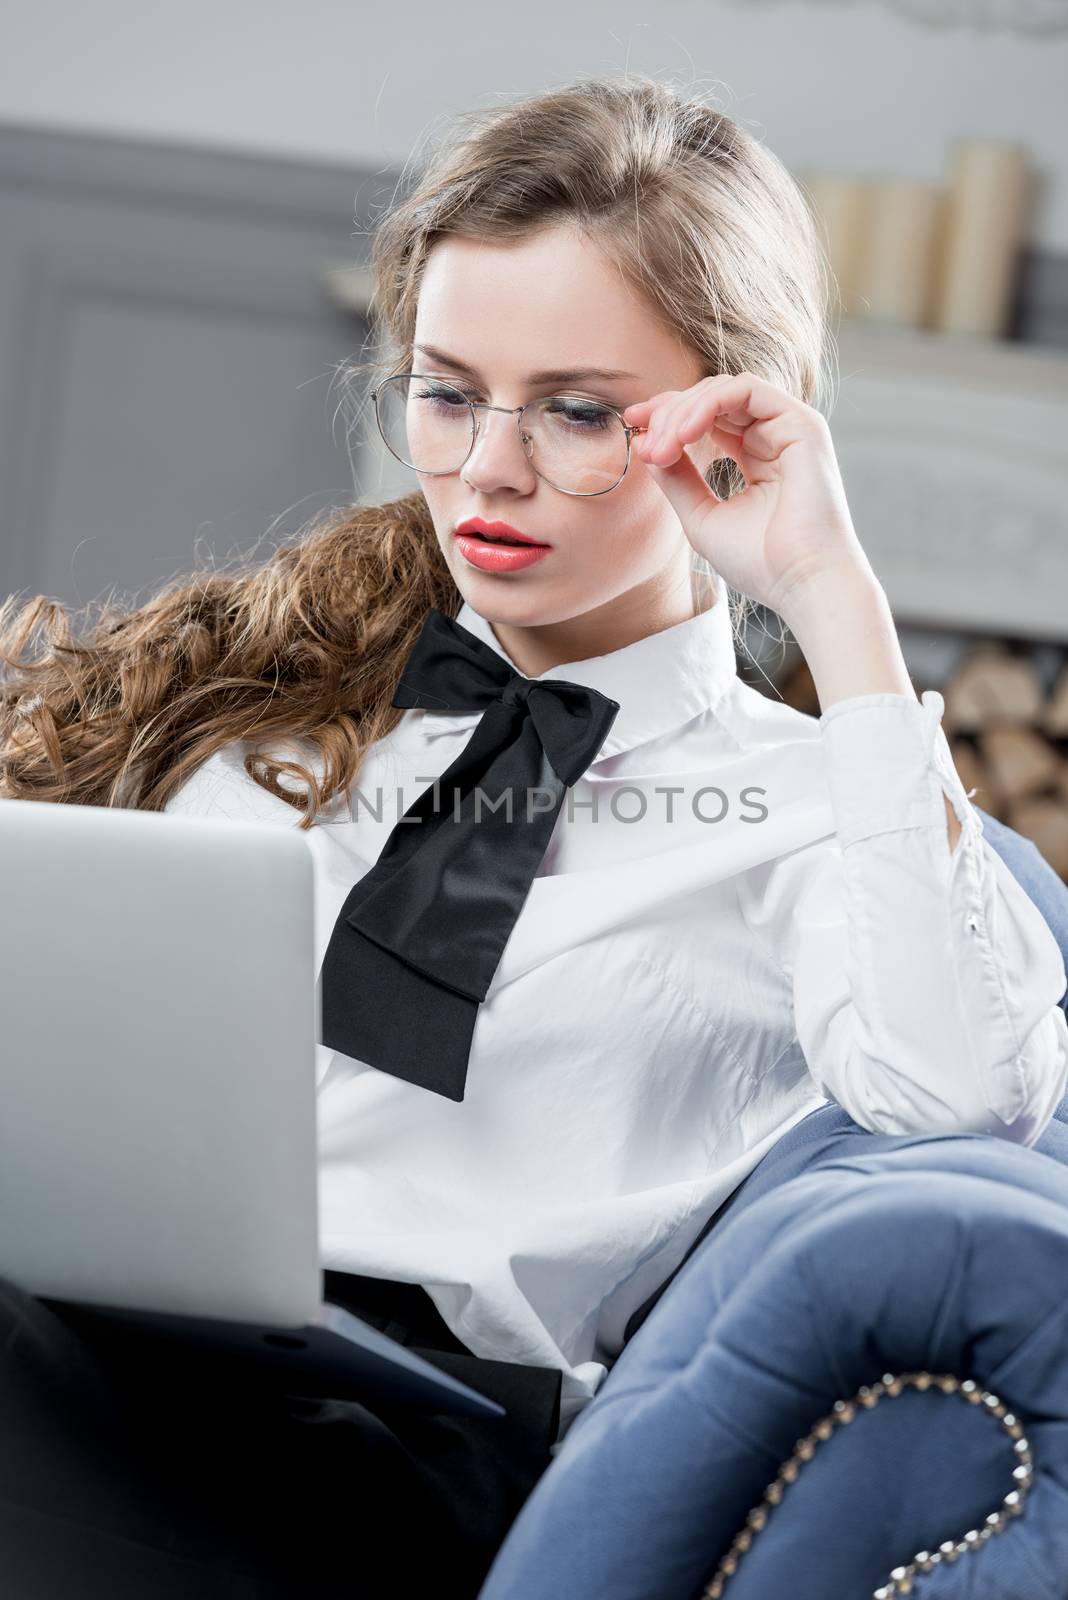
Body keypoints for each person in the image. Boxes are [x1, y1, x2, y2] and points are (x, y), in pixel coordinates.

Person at [1, 71, 1066, 1599]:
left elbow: (976, 1102)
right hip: (102, 1337)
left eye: (575, 412)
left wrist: (834, 596)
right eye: (447, 393)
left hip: (415, 1445)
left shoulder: (815, 804)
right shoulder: (271, 723)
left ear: (728, 422)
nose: (489, 470)